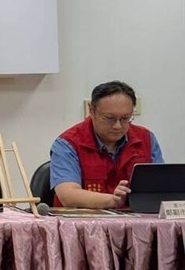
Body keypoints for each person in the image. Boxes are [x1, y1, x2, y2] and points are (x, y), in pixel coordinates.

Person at [50, 80, 164, 209]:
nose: (118, 126)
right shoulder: (68, 143)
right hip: (82, 225)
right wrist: (112, 200)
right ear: (92, 110)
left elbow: (160, 188)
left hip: (137, 223)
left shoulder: (146, 138)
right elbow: (68, 195)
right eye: (109, 118)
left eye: (125, 118)